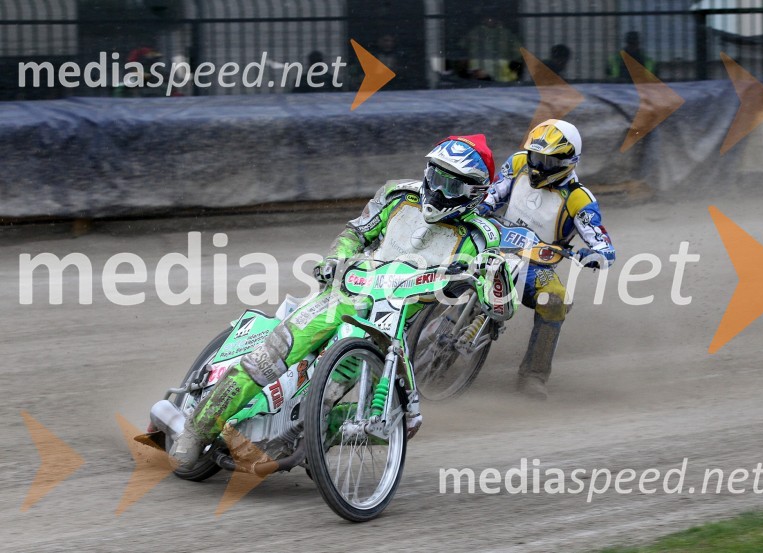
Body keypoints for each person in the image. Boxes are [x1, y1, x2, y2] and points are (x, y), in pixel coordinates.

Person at [172, 135, 506, 468]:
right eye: (435, 178)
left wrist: (491, 280)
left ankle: (306, 439)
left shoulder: (481, 236)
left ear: (474, 193)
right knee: (268, 360)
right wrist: (336, 258)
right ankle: (196, 429)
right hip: (343, 297)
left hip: (392, 323)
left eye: (452, 187)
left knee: (400, 420)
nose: (438, 191)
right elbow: (357, 232)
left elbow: (499, 304)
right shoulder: (398, 195)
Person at [479, 119, 616, 400]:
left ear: (569, 161)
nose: (538, 166)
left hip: (535, 266)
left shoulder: (580, 199)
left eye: (548, 161)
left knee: (555, 300)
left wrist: (595, 255)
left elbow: (605, 248)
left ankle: (534, 376)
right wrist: (482, 206)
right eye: (535, 157)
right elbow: (494, 193)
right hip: (491, 243)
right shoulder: (518, 163)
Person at [457, 15, 523, 82]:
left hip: (502, 81)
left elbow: (518, 55)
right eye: (487, 17)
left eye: (492, 17)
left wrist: (513, 73)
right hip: (476, 80)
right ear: (483, 19)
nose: (490, 20)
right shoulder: (474, 33)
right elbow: (461, 52)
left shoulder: (507, 34)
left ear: (497, 19)